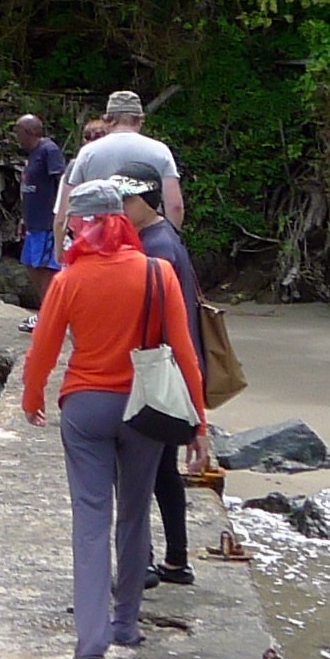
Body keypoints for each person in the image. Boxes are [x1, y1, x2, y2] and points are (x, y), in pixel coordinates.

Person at [22, 177, 206, 659]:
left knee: (90, 518)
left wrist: (32, 395)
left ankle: (91, 638)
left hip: (85, 405)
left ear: (79, 226)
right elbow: (185, 354)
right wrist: (199, 423)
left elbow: (43, 349)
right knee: (134, 514)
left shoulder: (68, 280)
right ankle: (126, 624)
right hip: (145, 408)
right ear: (122, 221)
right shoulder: (155, 272)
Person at [123, 180, 202, 588]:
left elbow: (152, 316)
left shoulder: (156, 247)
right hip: (173, 366)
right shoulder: (163, 236)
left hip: (159, 368)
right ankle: (176, 559)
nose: (120, 208)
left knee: (140, 470)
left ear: (145, 202)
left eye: (126, 200)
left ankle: (148, 562)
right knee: (163, 471)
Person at [59, 90, 185, 244]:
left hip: (100, 242)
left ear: (107, 119)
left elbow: (67, 208)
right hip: (147, 241)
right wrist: (172, 240)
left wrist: (62, 253)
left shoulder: (87, 153)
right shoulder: (160, 151)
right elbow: (175, 206)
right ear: (140, 120)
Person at [12, 115, 66, 286]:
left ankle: (50, 310)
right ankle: (43, 309)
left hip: (47, 222)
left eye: (18, 131)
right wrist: (24, 217)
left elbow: (61, 181)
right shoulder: (32, 154)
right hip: (32, 221)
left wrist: (60, 214)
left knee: (46, 269)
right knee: (30, 264)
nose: (16, 136)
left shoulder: (49, 150)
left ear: (29, 132)